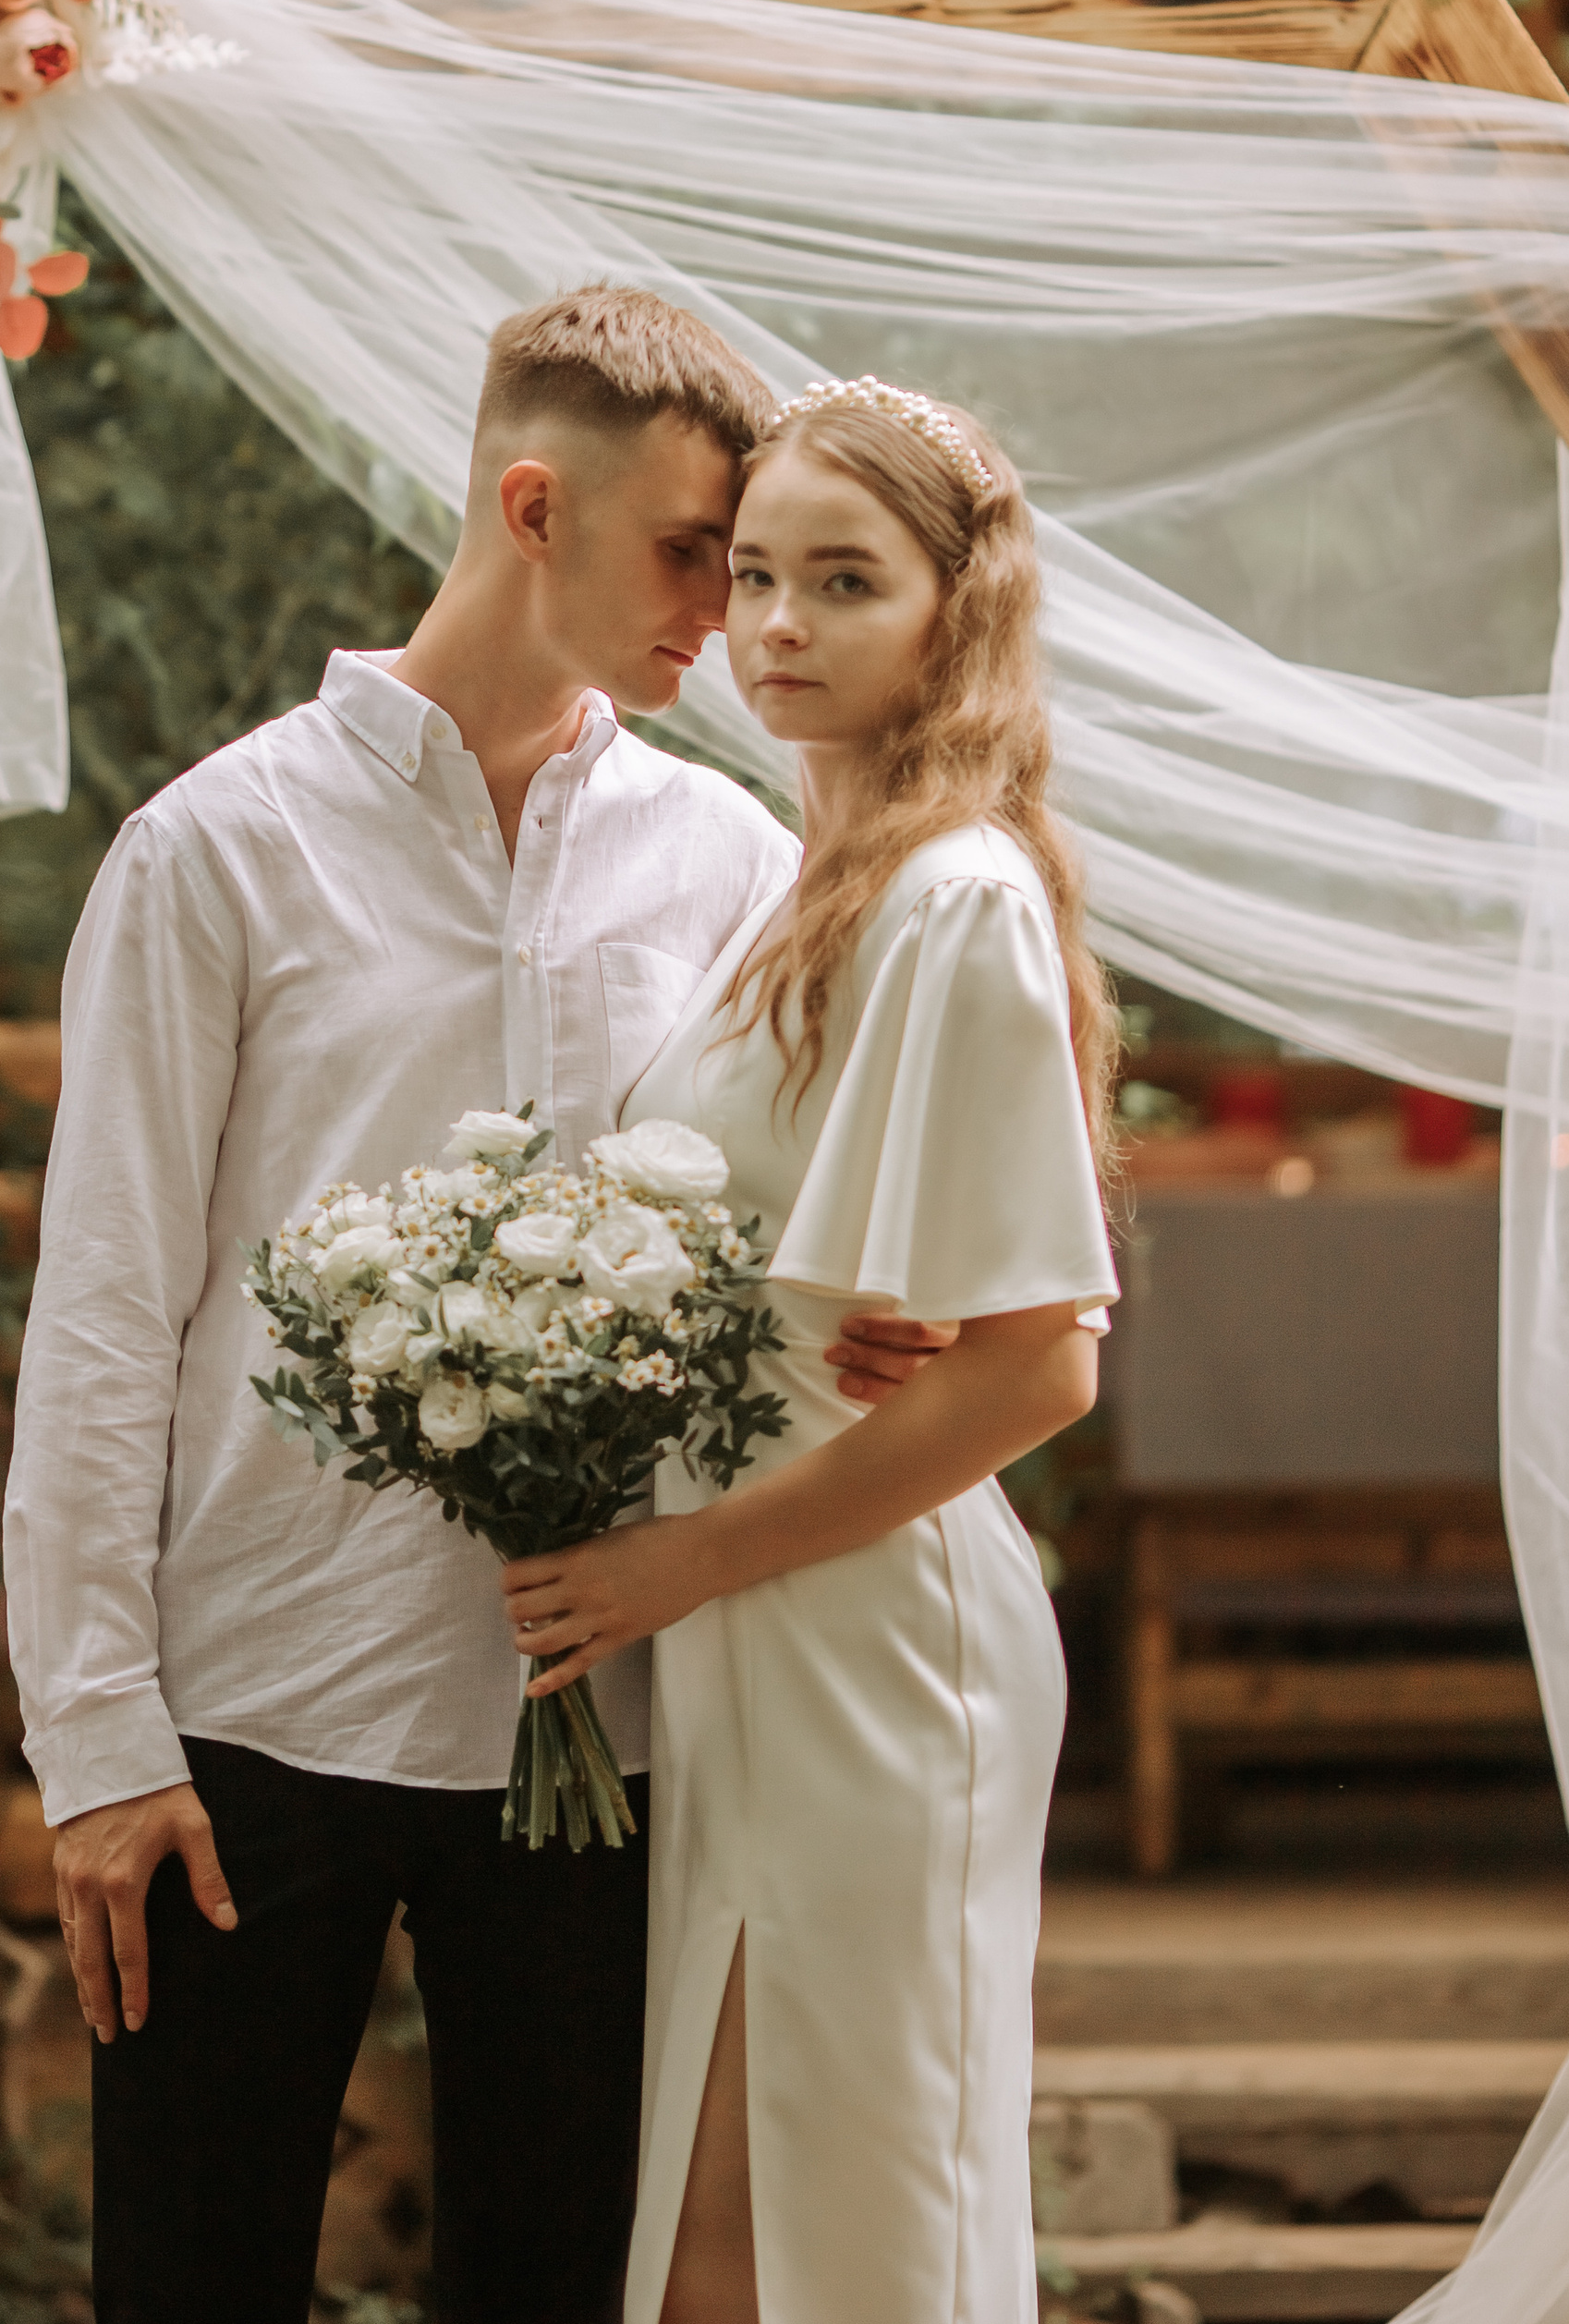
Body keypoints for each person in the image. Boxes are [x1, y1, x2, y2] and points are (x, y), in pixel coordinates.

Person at [3, 291, 954, 2324]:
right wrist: (93, 1733)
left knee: (556, 2291)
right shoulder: (217, 851)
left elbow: (782, 1217)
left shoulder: (735, 857)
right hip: (254, 1705)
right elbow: (102, 1308)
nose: (737, 604)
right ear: (535, 503)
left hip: (608, 1723)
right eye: (697, 546)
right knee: (189, 2278)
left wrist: (860, 1327)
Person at [500, 378, 1120, 2324]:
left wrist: (674, 1556)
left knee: (840, 2233)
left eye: (840, 581)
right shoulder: (804, 888)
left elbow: (1034, 1368)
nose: (773, 622)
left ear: (956, 607)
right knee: (721, 2236)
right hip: (758, 1632)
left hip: (870, 1641)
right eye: (751, 571)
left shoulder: (952, 899)